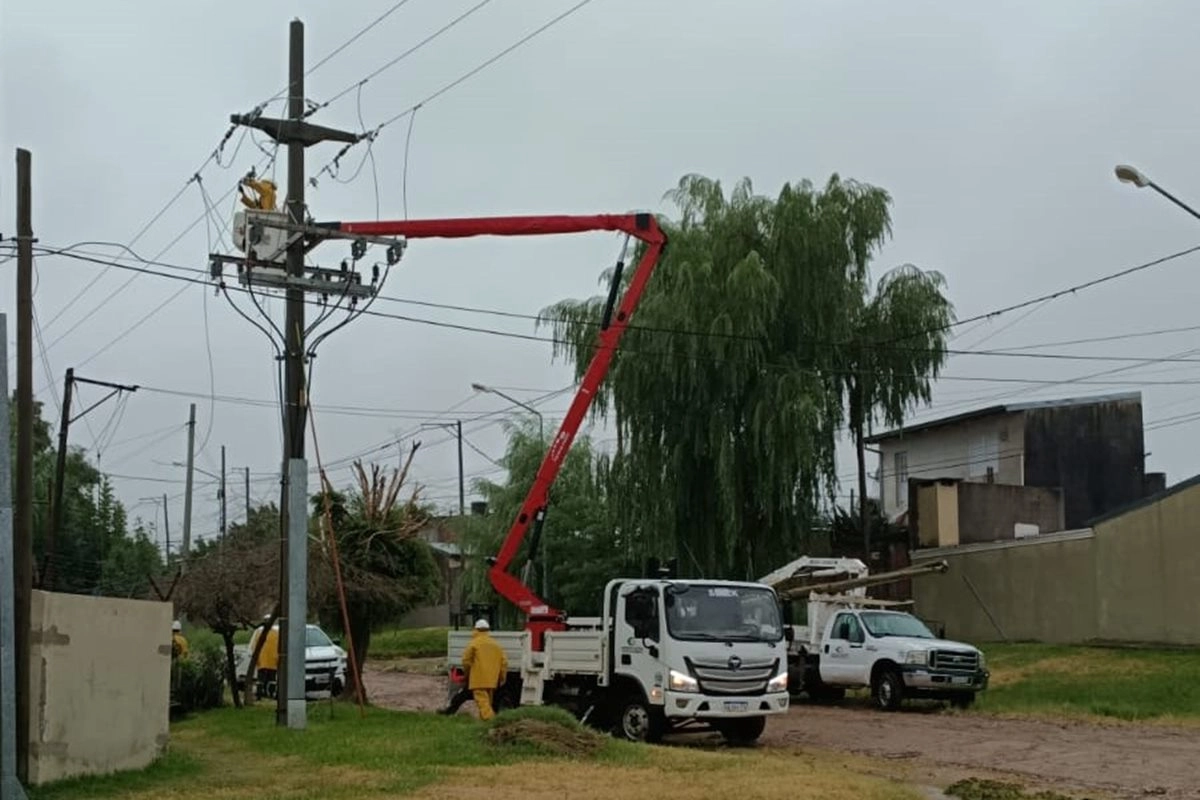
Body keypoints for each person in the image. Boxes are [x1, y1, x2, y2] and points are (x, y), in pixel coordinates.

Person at [459, 618, 507, 721]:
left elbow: (466, 661)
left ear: (476, 629)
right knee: (487, 704)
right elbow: (504, 663)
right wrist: (502, 678)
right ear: (488, 630)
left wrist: (467, 674)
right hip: (492, 681)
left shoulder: (474, 644)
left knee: (483, 705)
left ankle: (493, 722)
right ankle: (483, 725)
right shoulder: (496, 645)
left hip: (478, 680)